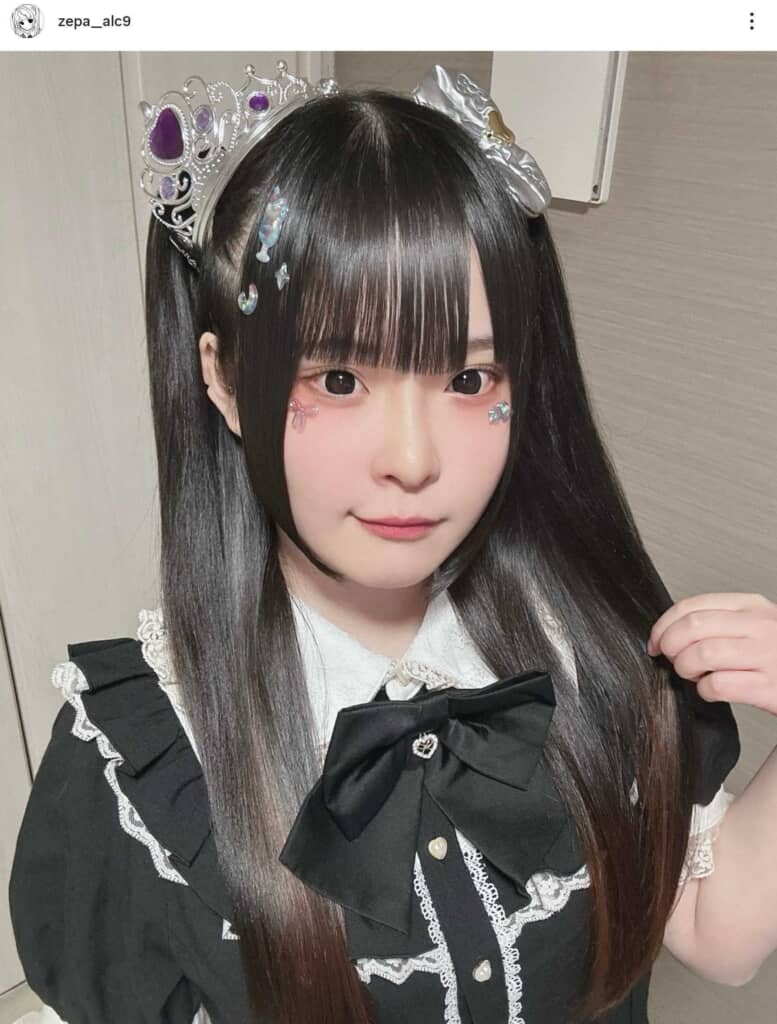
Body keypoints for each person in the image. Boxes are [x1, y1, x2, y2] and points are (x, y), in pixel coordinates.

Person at [8, 60, 772, 1024]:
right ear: (225, 381)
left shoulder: (589, 650)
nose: (412, 461)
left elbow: (716, 938)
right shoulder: (146, 754)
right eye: (337, 380)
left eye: (468, 380)